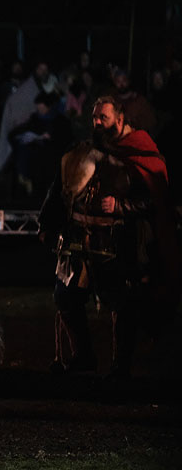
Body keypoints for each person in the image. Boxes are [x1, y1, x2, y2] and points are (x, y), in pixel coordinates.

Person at [38, 95, 180, 380]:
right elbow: (59, 188)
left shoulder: (140, 152)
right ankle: (83, 357)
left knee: (123, 303)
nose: (97, 123)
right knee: (65, 296)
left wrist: (121, 206)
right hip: (79, 239)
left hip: (119, 239)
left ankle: (120, 368)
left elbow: (157, 200)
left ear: (120, 117)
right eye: (94, 117)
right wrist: (48, 224)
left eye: (103, 117)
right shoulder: (83, 150)